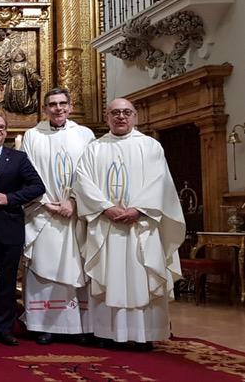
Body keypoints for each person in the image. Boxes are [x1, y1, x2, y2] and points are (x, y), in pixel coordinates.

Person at [72, 98, 185, 350]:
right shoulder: (94, 149)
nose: (120, 117)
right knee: (107, 276)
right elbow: (83, 182)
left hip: (141, 226)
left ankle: (143, 334)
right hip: (106, 225)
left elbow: (160, 182)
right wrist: (106, 207)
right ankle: (106, 332)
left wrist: (139, 209)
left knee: (141, 277)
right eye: (115, 113)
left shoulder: (150, 146)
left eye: (126, 112)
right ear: (107, 118)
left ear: (135, 116)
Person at [21, 88, 95, 345]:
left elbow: (90, 173)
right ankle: (43, 325)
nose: (58, 108)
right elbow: (26, 172)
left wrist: (75, 201)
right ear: (44, 109)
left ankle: (80, 326)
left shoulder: (85, 135)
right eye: (52, 104)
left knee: (77, 266)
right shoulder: (32, 136)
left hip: (75, 212)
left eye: (63, 103)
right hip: (43, 212)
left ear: (70, 106)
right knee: (44, 268)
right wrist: (44, 202)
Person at [0, 114, 45, 346]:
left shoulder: (18, 158)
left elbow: (37, 186)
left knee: (6, 283)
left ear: (6, 132)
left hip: (9, 228)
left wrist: (10, 198)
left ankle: (4, 328)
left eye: (1, 127)